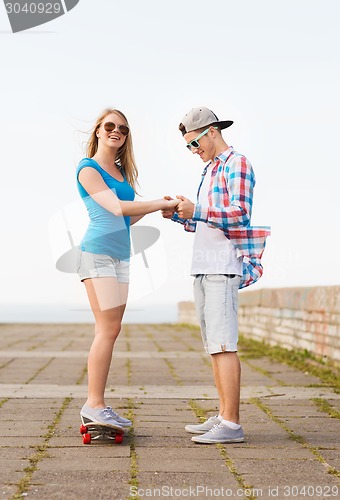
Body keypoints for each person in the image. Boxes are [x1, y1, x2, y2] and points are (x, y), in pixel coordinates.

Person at [163, 107, 270, 444]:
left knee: (224, 345)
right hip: (203, 265)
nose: (194, 151)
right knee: (214, 346)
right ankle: (224, 414)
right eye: (188, 147)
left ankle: (232, 424)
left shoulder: (236, 163)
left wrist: (198, 210)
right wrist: (180, 215)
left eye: (195, 143)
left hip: (223, 267)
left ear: (211, 131)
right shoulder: (209, 170)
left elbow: (239, 215)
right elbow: (206, 221)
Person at [76, 108, 178, 430]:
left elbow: (127, 216)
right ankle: (94, 404)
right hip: (98, 254)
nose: (115, 131)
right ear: (98, 131)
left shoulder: (122, 174)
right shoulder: (87, 169)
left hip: (121, 257)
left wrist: (152, 209)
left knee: (112, 330)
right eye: (109, 126)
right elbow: (116, 208)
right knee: (106, 329)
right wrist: (158, 203)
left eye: (122, 128)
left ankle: (98, 404)